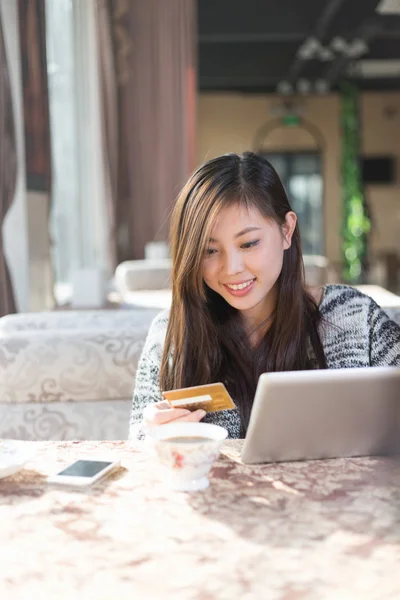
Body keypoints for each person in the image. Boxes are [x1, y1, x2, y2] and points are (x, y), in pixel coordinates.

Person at [129, 152, 400, 440]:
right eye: (210, 250)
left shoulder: (355, 318)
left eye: (248, 243)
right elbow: (139, 456)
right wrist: (151, 438)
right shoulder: (170, 334)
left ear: (287, 230)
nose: (231, 269)